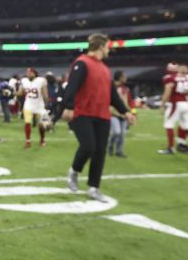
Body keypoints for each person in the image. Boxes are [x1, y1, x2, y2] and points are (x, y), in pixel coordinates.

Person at [61, 34, 137, 202]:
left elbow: (113, 96)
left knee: (100, 152)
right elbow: (71, 86)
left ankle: (94, 188)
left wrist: (126, 112)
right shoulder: (82, 63)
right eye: (107, 46)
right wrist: (68, 107)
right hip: (83, 114)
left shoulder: (105, 69)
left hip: (102, 115)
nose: (109, 49)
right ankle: (74, 171)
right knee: (88, 146)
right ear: (101, 46)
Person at [19, 67, 49, 148]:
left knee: (42, 124)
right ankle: (28, 141)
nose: (28, 74)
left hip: (39, 105)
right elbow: (21, 93)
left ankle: (42, 139)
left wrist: (47, 105)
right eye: (27, 73)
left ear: (34, 73)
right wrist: (12, 93)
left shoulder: (41, 80)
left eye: (30, 72)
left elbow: (45, 94)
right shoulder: (24, 81)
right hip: (28, 104)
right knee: (27, 122)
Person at [107, 71, 134, 157]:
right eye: (124, 76)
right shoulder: (110, 87)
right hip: (113, 114)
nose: (126, 78)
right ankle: (110, 146)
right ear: (120, 77)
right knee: (117, 132)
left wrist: (129, 113)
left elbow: (126, 103)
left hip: (123, 114)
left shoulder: (125, 89)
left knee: (122, 134)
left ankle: (119, 151)